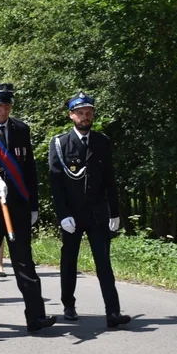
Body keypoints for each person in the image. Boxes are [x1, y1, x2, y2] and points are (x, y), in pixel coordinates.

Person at [0, 84, 57, 333]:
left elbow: (28, 170)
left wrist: (33, 204)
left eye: (7, 105)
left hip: (17, 206)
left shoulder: (20, 129)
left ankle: (35, 316)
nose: (3, 109)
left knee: (24, 261)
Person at [48, 91, 130, 326]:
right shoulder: (60, 144)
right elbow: (56, 183)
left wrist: (114, 212)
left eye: (89, 113)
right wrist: (62, 214)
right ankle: (69, 305)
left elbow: (109, 180)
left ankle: (112, 312)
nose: (85, 117)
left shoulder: (102, 142)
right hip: (72, 215)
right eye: (81, 113)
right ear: (71, 115)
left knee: (104, 262)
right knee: (69, 261)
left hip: (97, 213)